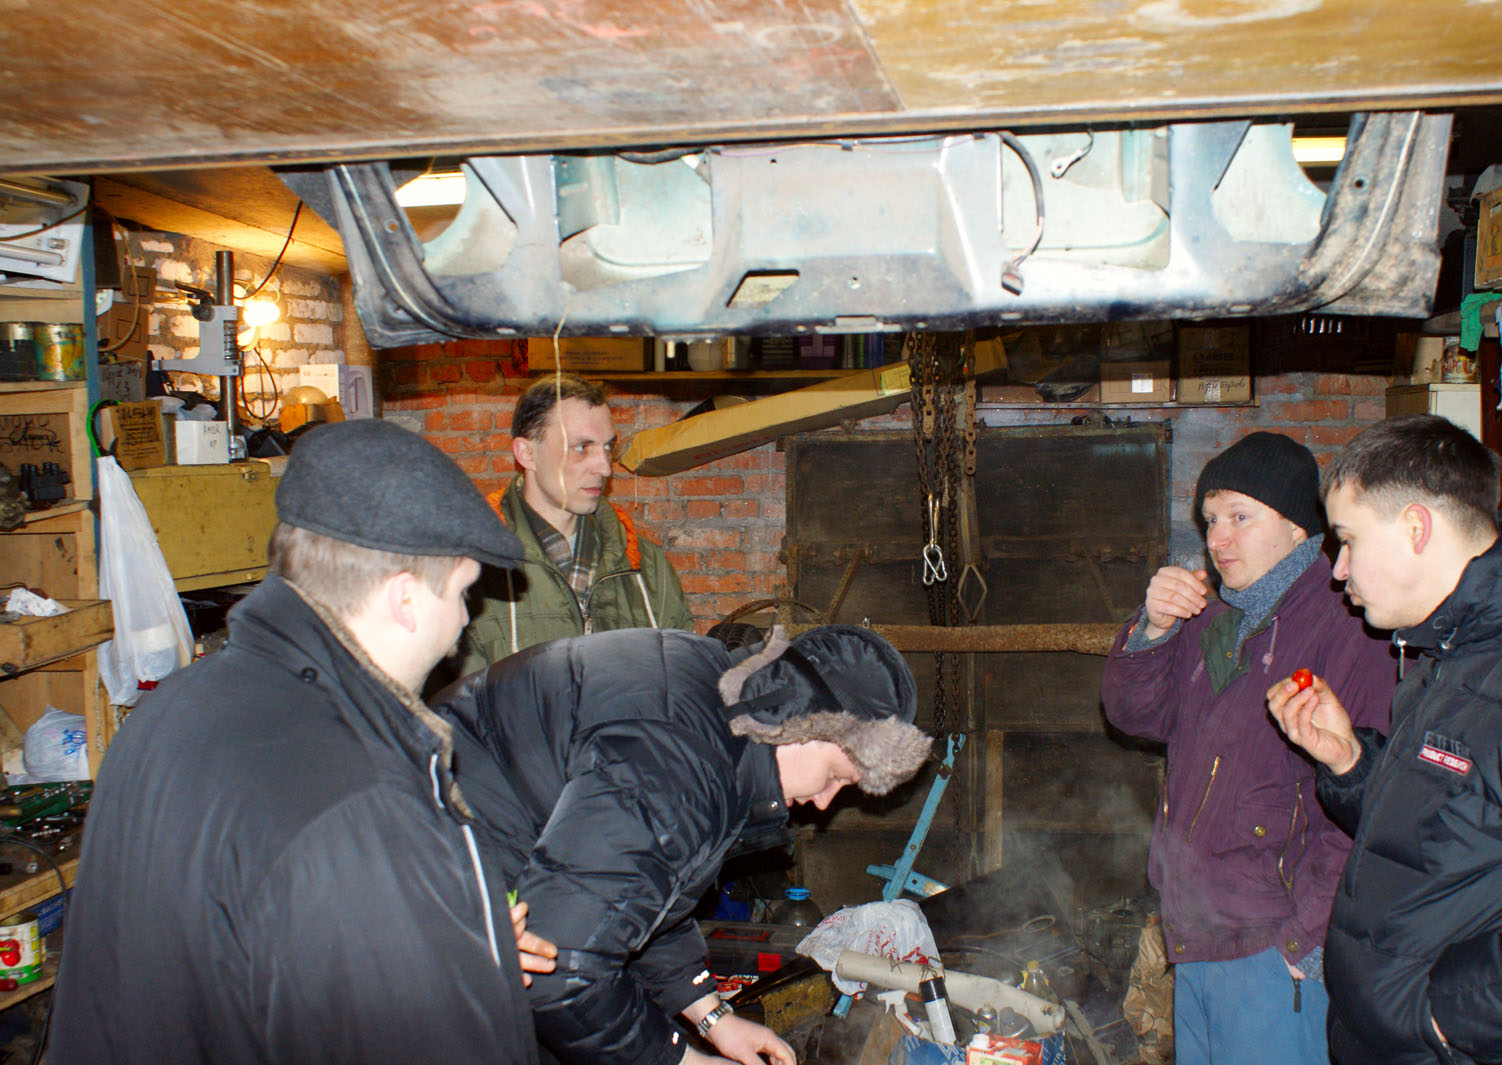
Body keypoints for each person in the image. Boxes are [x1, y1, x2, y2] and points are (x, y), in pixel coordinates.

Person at [51, 419, 560, 1065]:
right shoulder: (364, 801)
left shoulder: (169, 712)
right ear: (405, 598)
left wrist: (443, 956)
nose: (465, 621)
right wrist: (459, 988)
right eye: (463, 593)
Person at [431, 623, 933, 1065]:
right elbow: (564, 972)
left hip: (471, 859)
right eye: (835, 777)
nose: (824, 803)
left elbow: (636, 889)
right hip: (434, 889)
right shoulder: (681, 765)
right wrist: (681, 1059)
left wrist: (712, 1017)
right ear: (802, 725)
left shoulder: (717, 700)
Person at [1267, 413, 1502, 1065]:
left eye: (1348, 540)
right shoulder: (1455, 647)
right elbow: (1454, 835)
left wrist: (1441, 1017)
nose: (1338, 569)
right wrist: (1351, 760)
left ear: (1416, 528)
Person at [1100, 431, 1395, 1065]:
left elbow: (1370, 803)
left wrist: (1305, 941)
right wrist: (1152, 630)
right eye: (1210, 519)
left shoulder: (1348, 627)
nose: (1217, 539)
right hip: (1197, 928)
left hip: (1274, 948)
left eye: (1240, 517)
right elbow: (1137, 716)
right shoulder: (1215, 618)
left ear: (1296, 527)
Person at [458, 373, 693, 673]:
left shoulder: (646, 569)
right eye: (582, 447)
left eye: (607, 447)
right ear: (527, 453)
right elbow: (459, 698)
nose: (605, 467)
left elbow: (681, 683)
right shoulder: (471, 571)